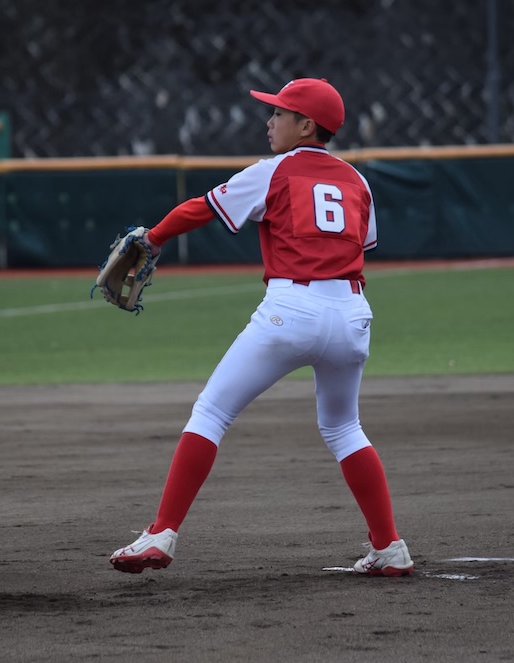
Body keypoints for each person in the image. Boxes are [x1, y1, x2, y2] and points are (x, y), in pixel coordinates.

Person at [109, 78, 414, 577]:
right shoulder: (358, 182)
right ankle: (389, 546)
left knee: (211, 412)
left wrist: (154, 238)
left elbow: (200, 208)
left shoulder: (274, 170)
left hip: (291, 310)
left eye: (279, 113)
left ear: (306, 125)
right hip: (352, 314)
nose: (269, 122)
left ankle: (161, 534)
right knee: (344, 428)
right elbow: (361, 244)